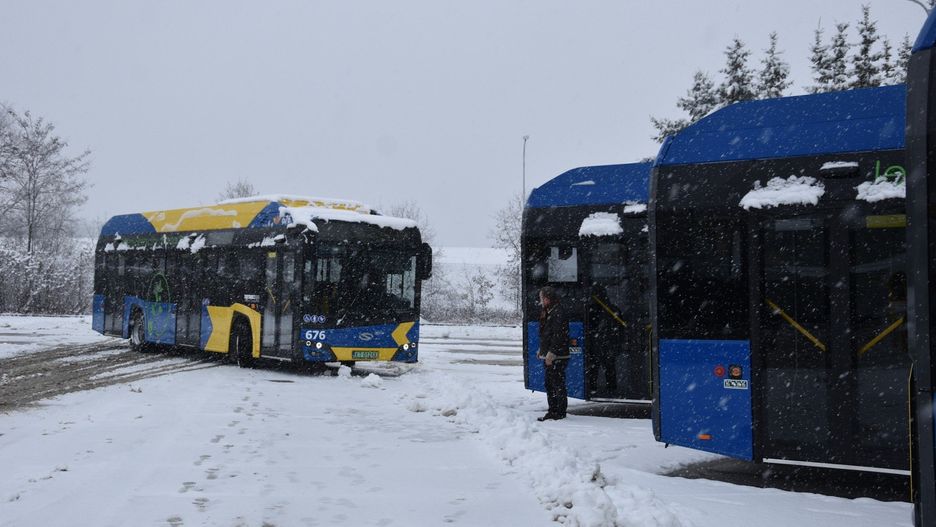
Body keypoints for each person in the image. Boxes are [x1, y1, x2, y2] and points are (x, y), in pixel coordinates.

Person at [537, 286, 570, 421]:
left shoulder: (558, 312)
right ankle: (554, 410)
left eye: (542, 298)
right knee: (551, 384)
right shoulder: (550, 311)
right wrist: (542, 351)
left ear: (547, 298)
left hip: (557, 356)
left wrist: (551, 354)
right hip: (553, 355)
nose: (541, 301)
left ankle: (558, 412)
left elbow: (559, 336)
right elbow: (547, 335)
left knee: (556, 384)